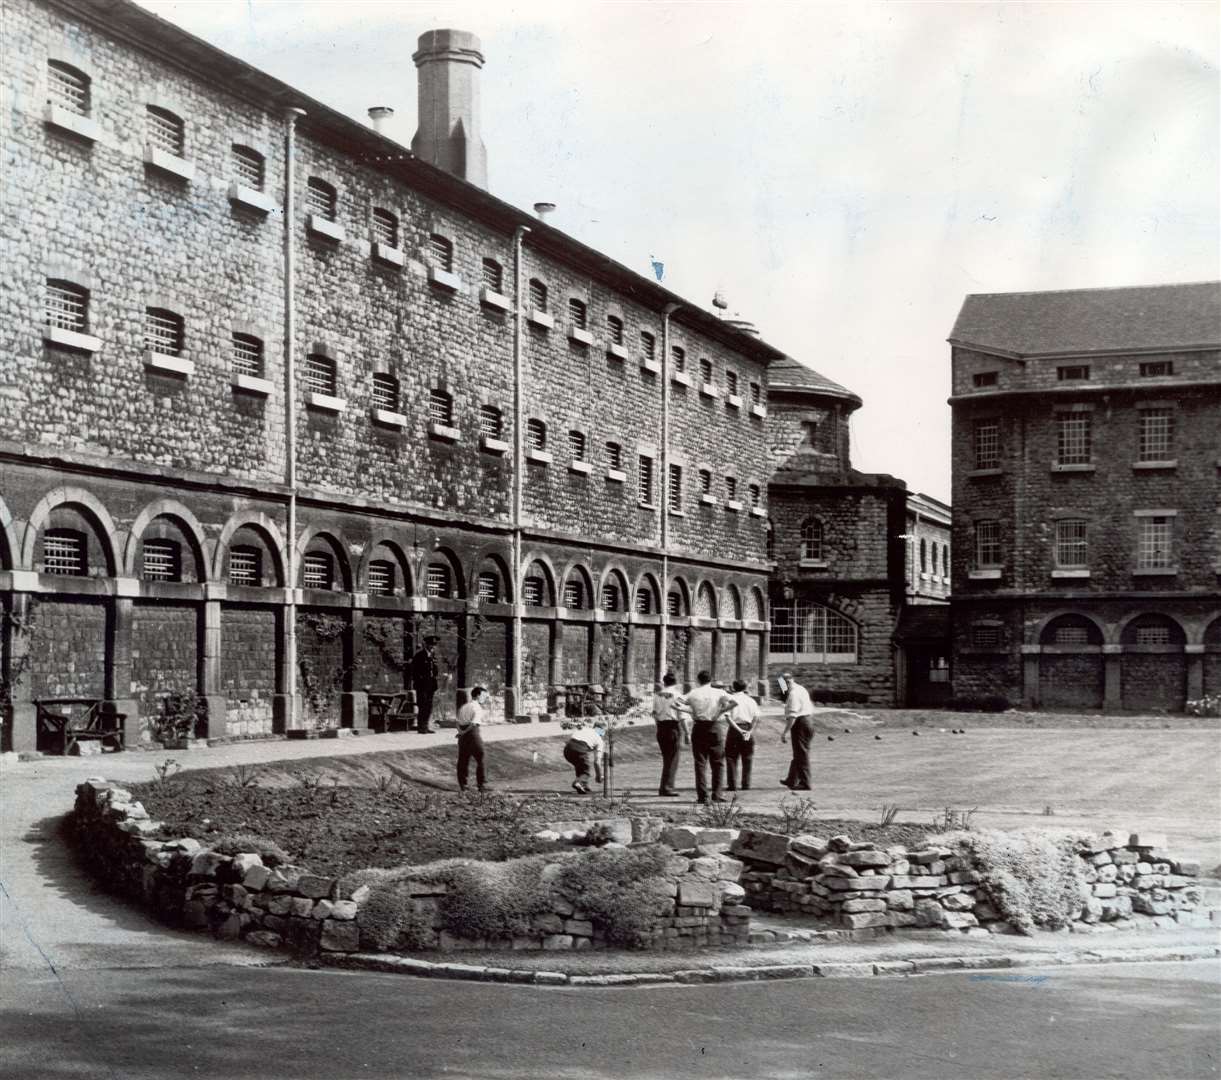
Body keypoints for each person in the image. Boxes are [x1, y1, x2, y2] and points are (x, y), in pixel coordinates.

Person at [680, 670, 735, 804]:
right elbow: (734, 703)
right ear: (711, 680)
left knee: (700, 763)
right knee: (718, 763)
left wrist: (691, 712)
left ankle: (703, 796)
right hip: (714, 725)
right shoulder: (719, 692)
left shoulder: (693, 693)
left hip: (699, 726)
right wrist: (720, 711)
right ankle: (717, 794)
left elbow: (676, 703)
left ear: (698, 680)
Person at [652, 673, 691, 796]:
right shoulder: (678, 695)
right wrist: (687, 732)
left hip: (661, 727)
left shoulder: (657, 695)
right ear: (676, 682)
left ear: (664, 682)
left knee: (666, 758)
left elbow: (654, 713)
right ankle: (667, 787)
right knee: (672, 758)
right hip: (672, 726)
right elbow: (682, 715)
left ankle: (665, 786)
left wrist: (658, 725)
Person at [778, 671, 815, 791]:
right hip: (808, 721)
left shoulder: (794, 694)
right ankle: (792, 779)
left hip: (800, 723)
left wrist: (785, 732)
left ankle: (805, 783)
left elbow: (792, 716)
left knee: (801, 754)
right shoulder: (801, 688)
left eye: (783, 685)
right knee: (799, 753)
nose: (782, 688)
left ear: (787, 682)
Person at [722, 679, 762, 791]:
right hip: (748, 727)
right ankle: (746, 783)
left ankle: (732, 784)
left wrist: (739, 730)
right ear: (745, 688)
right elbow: (756, 717)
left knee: (731, 757)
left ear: (733, 688)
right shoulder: (751, 701)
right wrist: (750, 730)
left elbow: (728, 717)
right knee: (747, 757)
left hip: (735, 729)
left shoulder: (731, 699)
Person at [455, 685, 489, 792]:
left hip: (462, 735)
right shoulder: (477, 708)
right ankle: (481, 784)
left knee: (463, 759)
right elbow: (474, 724)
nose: (485, 698)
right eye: (483, 696)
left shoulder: (464, 707)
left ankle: (463, 784)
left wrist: (460, 732)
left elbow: (457, 722)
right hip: (472, 734)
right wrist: (464, 732)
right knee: (482, 757)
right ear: (478, 695)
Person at [563, 721, 605, 794]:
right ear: (601, 730)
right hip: (580, 748)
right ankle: (578, 782)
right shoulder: (599, 740)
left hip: (567, 749)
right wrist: (599, 776)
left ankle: (583, 786)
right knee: (586, 771)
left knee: (580, 766)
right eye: (604, 731)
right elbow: (597, 762)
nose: (604, 733)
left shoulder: (585, 729)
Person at [411, 635, 440, 733]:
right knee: (422, 705)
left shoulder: (433, 656)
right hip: (422, 686)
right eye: (431, 645)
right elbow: (414, 671)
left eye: (434, 645)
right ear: (426, 645)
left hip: (431, 685)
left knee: (428, 706)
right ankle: (421, 727)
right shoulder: (419, 656)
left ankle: (426, 726)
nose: (432, 647)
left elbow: (435, 670)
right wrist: (419, 681)